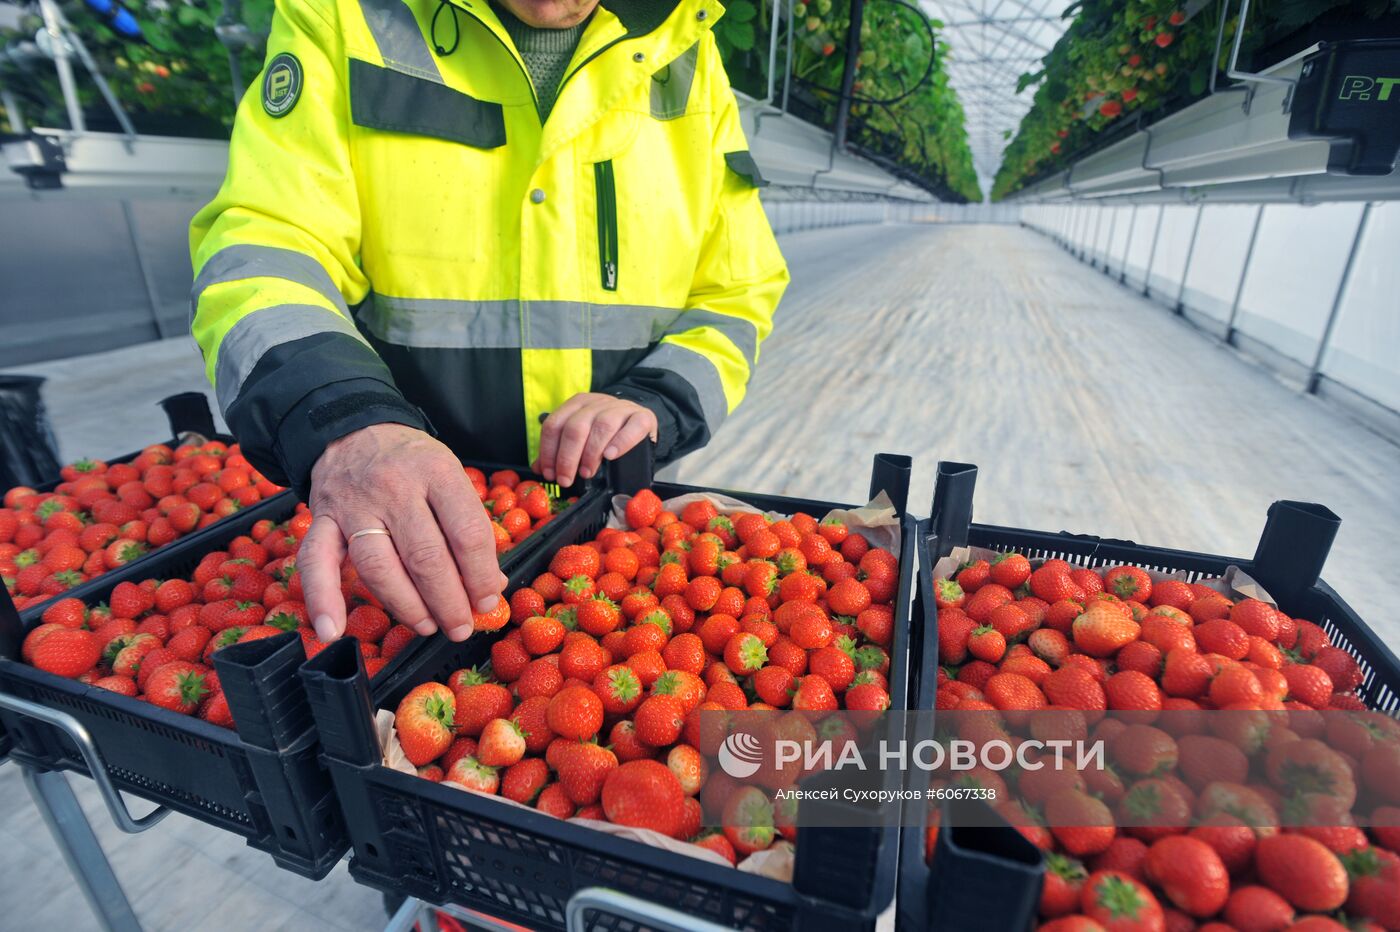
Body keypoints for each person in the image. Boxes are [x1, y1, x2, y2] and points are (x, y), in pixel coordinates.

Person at [189, 0, 788, 645]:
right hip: (396, 507)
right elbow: (267, 244)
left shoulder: (686, 47)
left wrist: (658, 400)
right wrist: (342, 418)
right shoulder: (346, 17)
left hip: (609, 518)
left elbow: (738, 285)